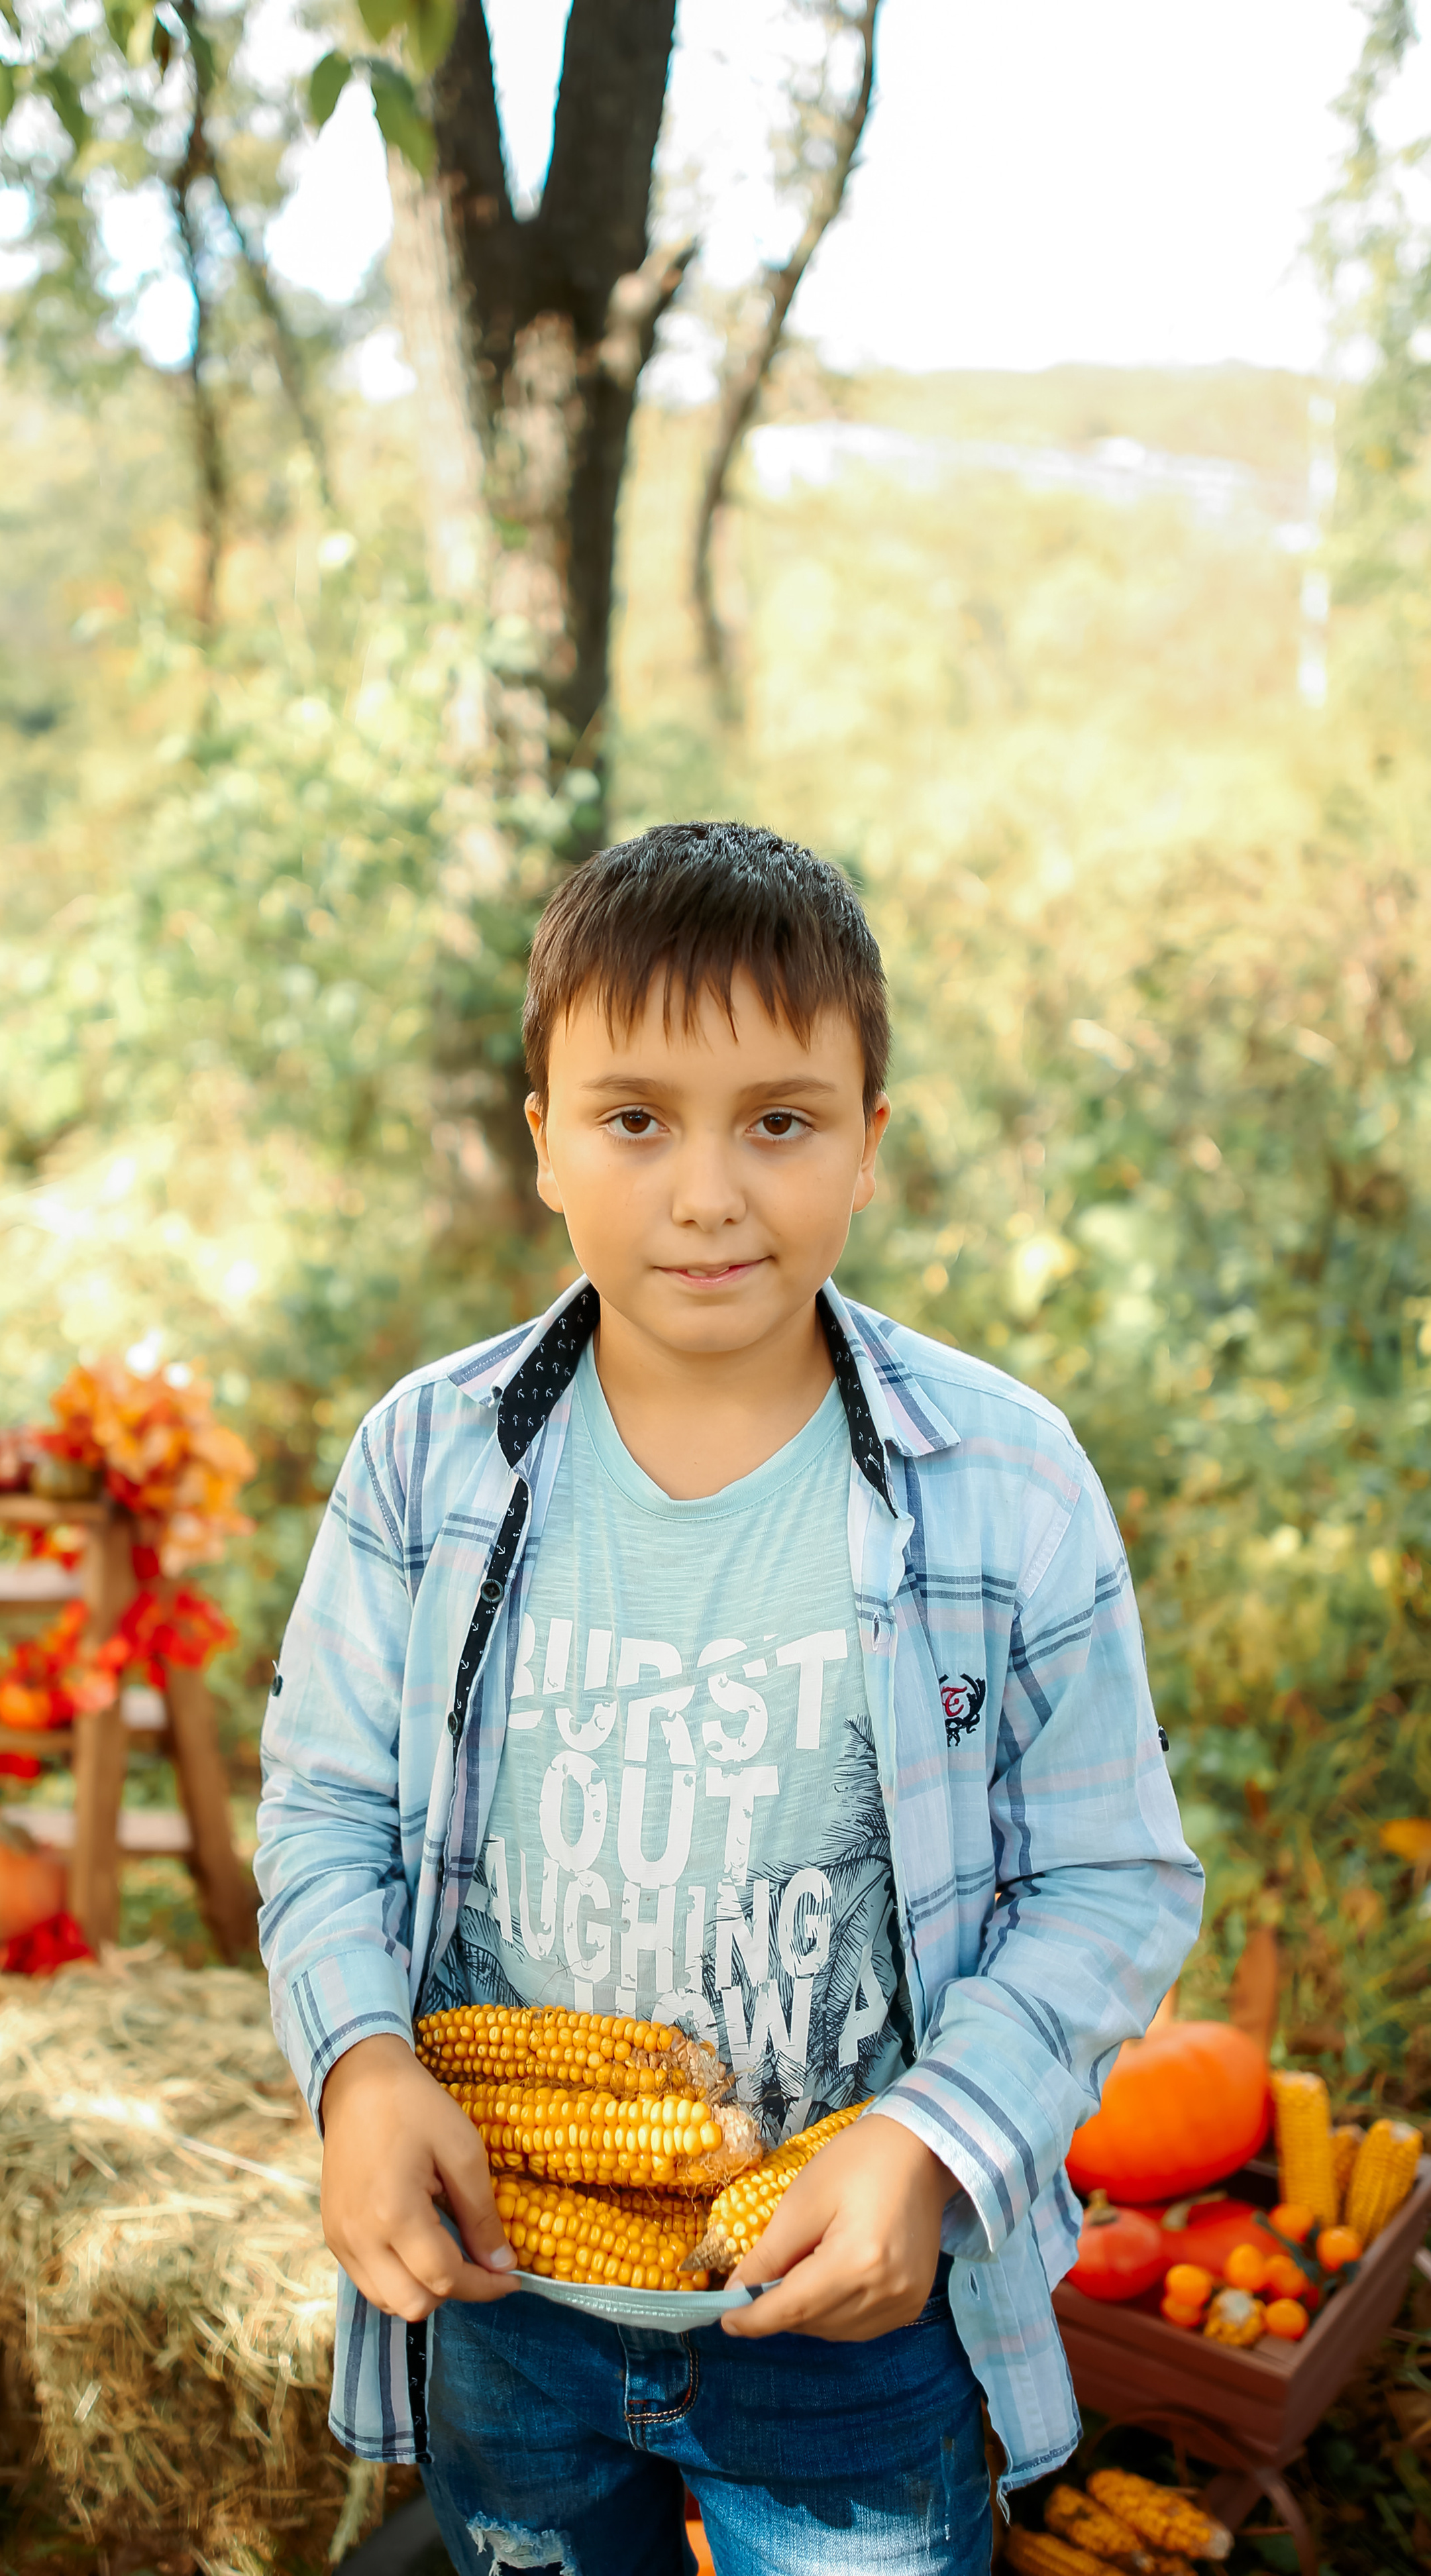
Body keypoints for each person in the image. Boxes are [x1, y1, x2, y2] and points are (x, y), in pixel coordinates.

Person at [256, 822, 1202, 2576]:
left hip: (855, 2326)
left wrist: (932, 2144)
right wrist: (363, 2063)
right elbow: (325, 1808)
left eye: (780, 1121)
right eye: (635, 1120)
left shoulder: (1006, 1485)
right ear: (543, 1139)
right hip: (508, 2297)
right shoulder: (425, 1464)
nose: (706, 1193)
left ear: (869, 1146)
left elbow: (1110, 1878)